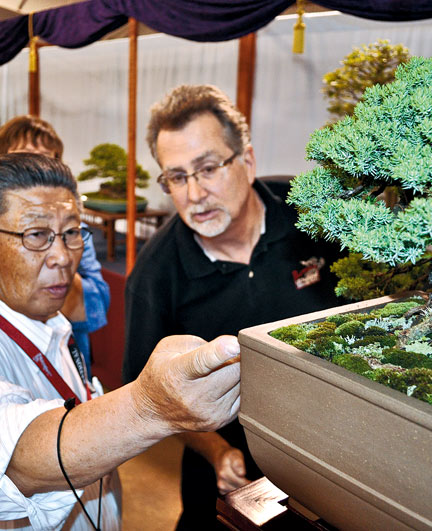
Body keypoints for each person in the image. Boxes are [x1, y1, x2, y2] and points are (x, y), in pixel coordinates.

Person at [0, 153, 241, 530]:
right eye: (36, 236)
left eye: (72, 232)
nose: (62, 257)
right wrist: (151, 406)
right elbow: (14, 459)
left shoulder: (39, 308)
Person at [121, 84, 343, 528]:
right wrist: (216, 450)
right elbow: (149, 396)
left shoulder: (314, 216)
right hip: (228, 477)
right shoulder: (155, 274)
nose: (195, 193)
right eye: (177, 177)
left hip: (334, 456)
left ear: (248, 160)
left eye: (207, 168)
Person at [0, 115, 109, 366]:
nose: (36, 169)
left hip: (65, 358)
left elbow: (97, 306)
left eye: (48, 159)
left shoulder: (74, 230)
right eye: (23, 158)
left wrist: (54, 257)